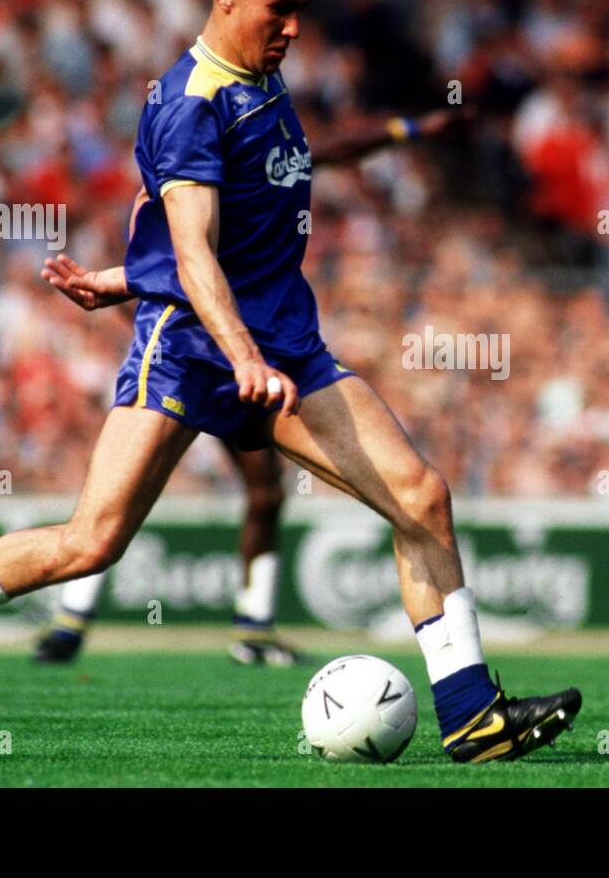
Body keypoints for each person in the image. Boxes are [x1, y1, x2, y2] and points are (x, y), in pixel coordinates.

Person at [0, 0, 580, 764]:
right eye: (280, 8)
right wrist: (238, 352)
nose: (294, 27)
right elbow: (191, 249)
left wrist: (119, 277)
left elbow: (216, 224)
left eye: (301, 10)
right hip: (191, 349)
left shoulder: (263, 80)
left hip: (286, 347)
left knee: (422, 496)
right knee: (89, 542)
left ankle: (472, 717)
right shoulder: (191, 102)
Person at [33, 106, 475, 668]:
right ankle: (75, 619)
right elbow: (155, 289)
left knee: (261, 491)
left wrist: (404, 128)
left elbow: (331, 148)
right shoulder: (171, 200)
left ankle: (250, 624)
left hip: (247, 366)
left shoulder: (252, 171)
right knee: (117, 508)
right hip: (187, 364)